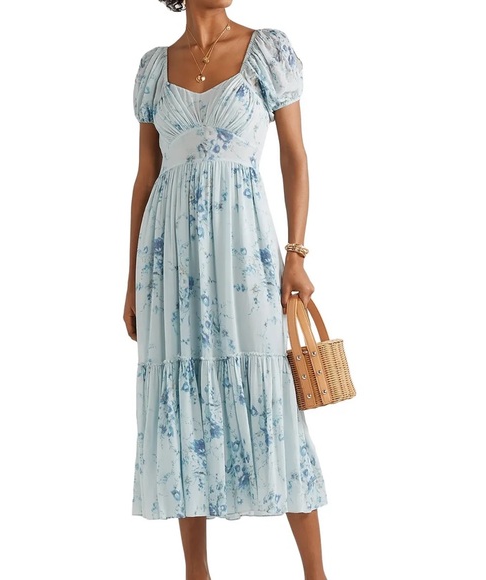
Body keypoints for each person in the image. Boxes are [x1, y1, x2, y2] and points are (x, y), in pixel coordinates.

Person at [124, 1, 329, 578]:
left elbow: (294, 155)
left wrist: (297, 254)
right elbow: (145, 178)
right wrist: (131, 280)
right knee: (182, 393)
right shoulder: (153, 67)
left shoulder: (267, 51)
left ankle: (316, 573)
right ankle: (197, 571)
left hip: (244, 248)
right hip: (168, 258)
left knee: (273, 395)